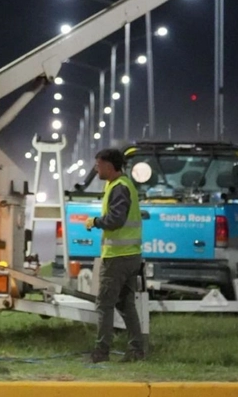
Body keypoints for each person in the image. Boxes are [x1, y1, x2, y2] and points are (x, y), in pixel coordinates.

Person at [85, 148, 145, 363]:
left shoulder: (119, 188)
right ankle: (137, 350)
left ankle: (101, 353)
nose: (96, 168)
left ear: (109, 166)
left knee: (104, 305)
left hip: (118, 258)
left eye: (98, 164)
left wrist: (94, 222)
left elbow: (115, 220)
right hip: (131, 256)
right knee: (126, 305)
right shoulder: (123, 185)